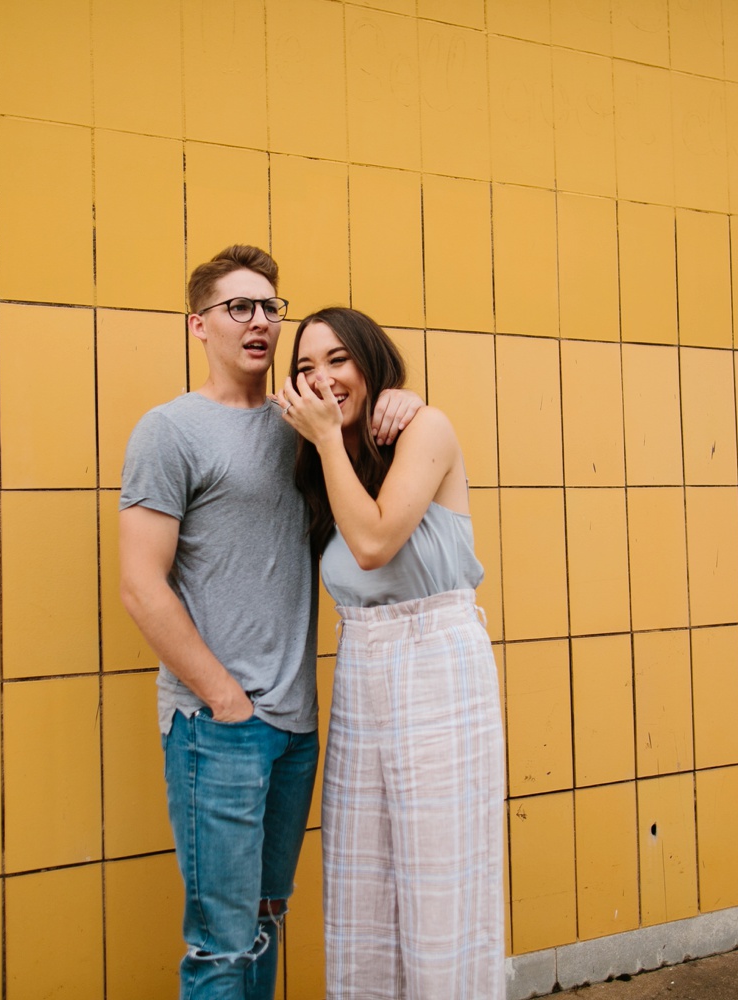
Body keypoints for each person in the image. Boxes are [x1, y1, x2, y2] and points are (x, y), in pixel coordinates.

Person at [117, 247, 421, 1000]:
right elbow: (140, 585)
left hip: (295, 727)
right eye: (238, 308)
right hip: (217, 723)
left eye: (269, 307)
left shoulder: (308, 425)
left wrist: (403, 405)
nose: (259, 322)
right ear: (198, 325)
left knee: (263, 920)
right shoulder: (170, 430)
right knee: (221, 946)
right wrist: (224, 698)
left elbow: (378, 506)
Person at [275, 307, 505, 999]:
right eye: (305, 368)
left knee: (441, 880)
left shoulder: (424, 429)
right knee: (364, 879)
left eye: (338, 359)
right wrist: (325, 441)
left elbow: (374, 547)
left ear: (372, 361)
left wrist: (330, 439)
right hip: (365, 674)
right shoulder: (323, 461)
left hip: (438, 665)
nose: (322, 378)